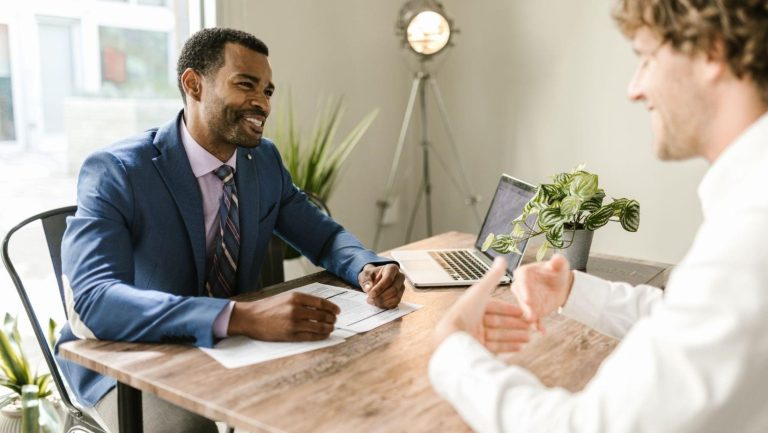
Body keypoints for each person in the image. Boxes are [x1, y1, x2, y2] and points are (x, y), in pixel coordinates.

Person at [429, 1, 768, 432]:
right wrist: (572, 290)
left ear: (711, 53)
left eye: (646, 58)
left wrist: (452, 351)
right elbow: (691, 317)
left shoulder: (752, 233)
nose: (634, 88)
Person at [58, 28, 405, 433]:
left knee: (345, 393)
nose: (262, 102)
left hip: (235, 348)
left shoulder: (263, 161)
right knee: (192, 430)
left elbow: (323, 236)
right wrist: (240, 317)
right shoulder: (118, 171)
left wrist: (367, 267)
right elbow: (94, 301)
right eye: (246, 85)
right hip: (134, 360)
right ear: (193, 84)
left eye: (268, 90)